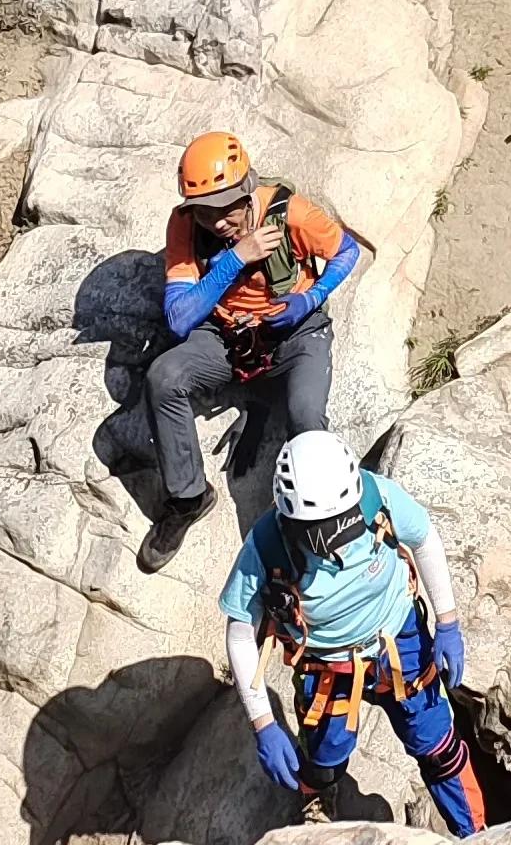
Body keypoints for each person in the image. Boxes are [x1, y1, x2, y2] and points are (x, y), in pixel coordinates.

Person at [225, 429, 485, 835]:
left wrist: (447, 622)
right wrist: (263, 723)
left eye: (341, 522)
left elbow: (424, 539)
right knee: (324, 758)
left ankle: (476, 836)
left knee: (438, 747)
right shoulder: (266, 547)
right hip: (328, 667)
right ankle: (318, 797)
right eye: (319, 527)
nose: (334, 538)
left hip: (399, 642)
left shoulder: (375, 497)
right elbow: (241, 633)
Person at [131, 131, 365, 573]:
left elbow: (345, 251)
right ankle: (188, 497)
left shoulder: (287, 211)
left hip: (295, 334)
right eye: (205, 212)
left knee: (307, 421)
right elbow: (180, 319)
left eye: (225, 209)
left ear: (246, 193)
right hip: (226, 337)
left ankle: (315, 529)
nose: (216, 222)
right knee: (164, 378)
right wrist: (237, 258)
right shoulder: (186, 227)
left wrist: (309, 300)